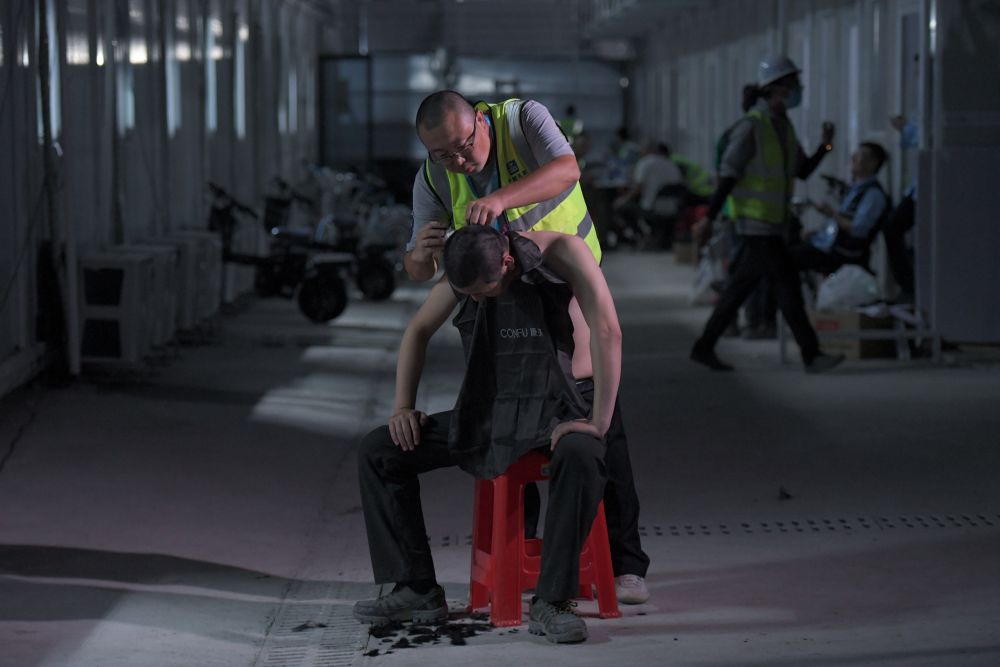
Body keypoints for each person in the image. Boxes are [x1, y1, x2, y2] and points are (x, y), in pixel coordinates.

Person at [404, 90, 650, 604]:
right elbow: (418, 272)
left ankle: (627, 561)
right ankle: (525, 549)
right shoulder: (433, 177)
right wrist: (422, 257)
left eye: (463, 146)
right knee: (510, 426)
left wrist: (500, 199)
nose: (458, 161)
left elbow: (567, 170)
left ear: (479, 120)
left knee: (599, 420)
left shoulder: (522, 121)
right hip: (501, 300)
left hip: (564, 284)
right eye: (442, 154)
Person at [354, 226, 625, 644]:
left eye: (484, 292)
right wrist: (402, 407)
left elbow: (608, 330)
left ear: (507, 263)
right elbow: (418, 330)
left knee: (583, 455)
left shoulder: (564, 251)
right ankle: (416, 587)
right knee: (380, 451)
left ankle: (552, 601)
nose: (478, 301)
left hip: (561, 405)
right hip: (494, 411)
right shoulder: (468, 265)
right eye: (470, 296)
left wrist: (599, 423)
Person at [690, 54, 844, 373]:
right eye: (793, 83)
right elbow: (728, 175)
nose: (798, 89)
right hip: (756, 223)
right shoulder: (752, 126)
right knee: (788, 287)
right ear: (776, 88)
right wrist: (709, 217)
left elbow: (802, 170)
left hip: (774, 224)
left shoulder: (783, 127)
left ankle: (704, 346)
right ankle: (812, 354)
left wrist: (825, 147)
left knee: (740, 287)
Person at [792, 141, 891, 275]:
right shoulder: (855, 189)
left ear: (873, 163)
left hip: (842, 252)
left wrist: (832, 214)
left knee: (787, 259)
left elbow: (857, 229)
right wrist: (817, 234)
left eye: (860, 155)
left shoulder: (874, 195)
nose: (853, 158)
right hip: (828, 244)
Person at [612, 141, 685, 246]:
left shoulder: (644, 163)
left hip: (652, 208)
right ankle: (658, 236)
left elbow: (638, 189)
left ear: (646, 150)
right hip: (673, 208)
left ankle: (643, 237)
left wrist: (623, 200)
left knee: (621, 208)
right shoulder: (671, 164)